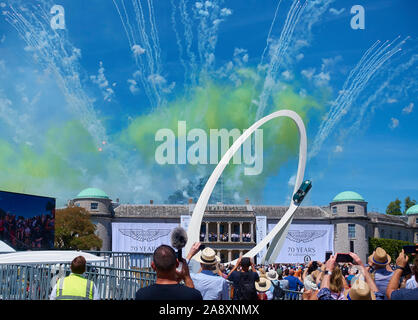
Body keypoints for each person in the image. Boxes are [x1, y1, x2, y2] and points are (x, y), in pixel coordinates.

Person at [135, 245, 202, 300]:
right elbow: (191, 295)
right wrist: (186, 277)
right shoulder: (193, 295)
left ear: (153, 266)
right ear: (177, 264)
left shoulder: (142, 295)